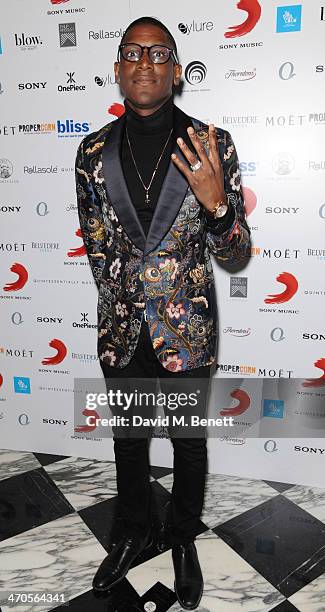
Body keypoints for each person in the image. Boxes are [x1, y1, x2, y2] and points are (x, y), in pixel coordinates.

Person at [75, 15, 250, 610]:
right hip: (122, 326)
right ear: (118, 70)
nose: (144, 62)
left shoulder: (212, 144)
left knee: (188, 443)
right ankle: (130, 530)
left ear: (176, 72)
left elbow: (235, 252)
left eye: (158, 53)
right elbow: (97, 246)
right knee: (129, 437)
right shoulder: (91, 151)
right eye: (132, 52)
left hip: (187, 328)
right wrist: (123, 304)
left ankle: (181, 539)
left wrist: (219, 205)